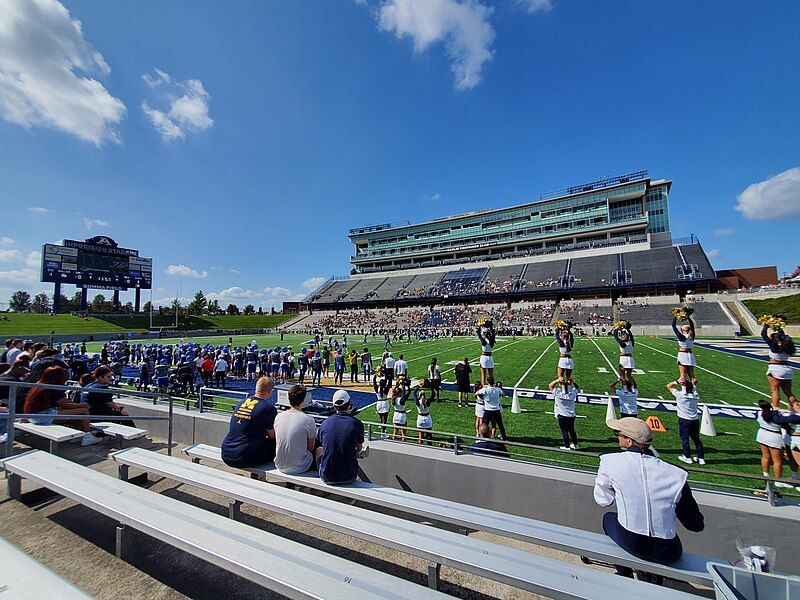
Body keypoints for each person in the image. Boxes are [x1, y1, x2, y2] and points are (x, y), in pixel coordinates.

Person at [594, 417, 704, 583]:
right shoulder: (677, 474)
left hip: (632, 541)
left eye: (618, 434)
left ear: (629, 441)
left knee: (608, 518)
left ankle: (624, 574)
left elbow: (603, 500)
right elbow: (695, 524)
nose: (616, 437)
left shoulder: (610, 462)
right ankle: (653, 580)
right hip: (668, 550)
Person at [22, 366, 102, 446]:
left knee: (78, 411)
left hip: (34, 417)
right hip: (43, 417)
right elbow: (66, 404)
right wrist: (82, 405)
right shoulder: (54, 387)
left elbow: (64, 402)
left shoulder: (40, 384)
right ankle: (87, 436)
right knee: (84, 410)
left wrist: (77, 406)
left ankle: (79, 434)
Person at [221, 376, 277, 468]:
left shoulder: (242, 402)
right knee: (275, 444)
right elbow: (272, 436)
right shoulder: (268, 408)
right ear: (270, 391)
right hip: (241, 457)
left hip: (226, 452)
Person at [315, 390, 365, 485]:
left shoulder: (325, 423)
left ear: (334, 406)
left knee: (319, 450)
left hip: (327, 476)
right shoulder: (357, 423)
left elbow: (322, 445)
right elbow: (359, 449)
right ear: (349, 404)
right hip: (349, 476)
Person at [755, 400, 800, 490]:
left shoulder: (759, 413)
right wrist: (776, 411)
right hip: (774, 437)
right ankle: (778, 481)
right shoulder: (776, 415)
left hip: (762, 435)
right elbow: (781, 422)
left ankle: (766, 476)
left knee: (765, 457)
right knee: (777, 461)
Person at [274, 385, 317, 474]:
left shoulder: (279, 416)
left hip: (280, 465)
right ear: (303, 400)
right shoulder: (308, 420)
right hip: (300, 466)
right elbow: (311, 447)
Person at [667, 380, 704, 465]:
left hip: (684, 420)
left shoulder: (680, 395)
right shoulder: (696, 395)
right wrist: (692, 385)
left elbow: (669, 386)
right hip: (695, 420)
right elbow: (693, 389)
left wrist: (677, 381)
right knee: (697, 439)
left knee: (685, 439)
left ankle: (687, 457)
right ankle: (701, 458)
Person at [761, 323, 796, 409]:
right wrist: (778, 326)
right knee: (789, 392)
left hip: (776, 369)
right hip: (787, 370)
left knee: (775, 390)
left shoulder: (774, 346)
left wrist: (766, 326)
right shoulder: (787, 347)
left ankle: (776, 409)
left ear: (776, 339)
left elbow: (763, 335)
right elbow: (782, 335)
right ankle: (797, 409)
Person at [549, 377, 579, 450]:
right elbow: (577, 387)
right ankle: (576, 445)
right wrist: (573, 381)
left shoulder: (558, 392)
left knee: (564, 431)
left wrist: (557, 380)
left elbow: (550, 386)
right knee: (572, 431)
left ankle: (567, 446)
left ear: (560, 384)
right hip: (571, 415)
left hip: (562, 416)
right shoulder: (573, 392)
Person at [672, 312, 697, 386]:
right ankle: (694, 391)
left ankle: (684, 390)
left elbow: (673, 326)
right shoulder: (692, 335)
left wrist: (676, 316)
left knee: (683, 376)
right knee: (692, 376)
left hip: (683, 355)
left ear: (682, 330)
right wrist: (688, 317)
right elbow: (692, 325)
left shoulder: (681, 336)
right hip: (691, 355)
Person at [478, 376, 505, 440]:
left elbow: (477, 393)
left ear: (487, 382)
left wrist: (483, 397)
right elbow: (503, 394)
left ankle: (482, 437)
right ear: (494, 382)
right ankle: (504, 437)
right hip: (496, 409)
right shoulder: (497, 389)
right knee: (500, 425)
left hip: (488, 410)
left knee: (484, 425)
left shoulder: (485, 389)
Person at [612, 322, 636, 390]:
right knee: (629, 376)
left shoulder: (622, 344)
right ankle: (633, 388)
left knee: (622, 376)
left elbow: (616, 337)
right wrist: (627, 328)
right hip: (631, 359)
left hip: (623, 359)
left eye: (624, 335)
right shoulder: (631, 342)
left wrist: (616, 329)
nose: (623, 336)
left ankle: (625, 388)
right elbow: (631, 336)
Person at [476, 321, 495, 385]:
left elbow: (478, 334)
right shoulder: (492, 341)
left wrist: (479, 326)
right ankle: (492, 385)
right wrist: (491, 327)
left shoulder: (483, 341)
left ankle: (483, 386)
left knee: (483, 374)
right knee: (491, 374)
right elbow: (493, 333)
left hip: (484, 357)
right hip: (490, 357)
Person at [373, 367, 391, 434]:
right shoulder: (386, 389)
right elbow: (389, 383)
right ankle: (383, 431)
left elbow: (374, 382)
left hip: (379, 403)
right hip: (385, 403)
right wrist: (385, 375)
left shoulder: (376, 389)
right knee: (385, 419)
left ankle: (382, 430)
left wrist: (376, 374)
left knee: (381, 419)